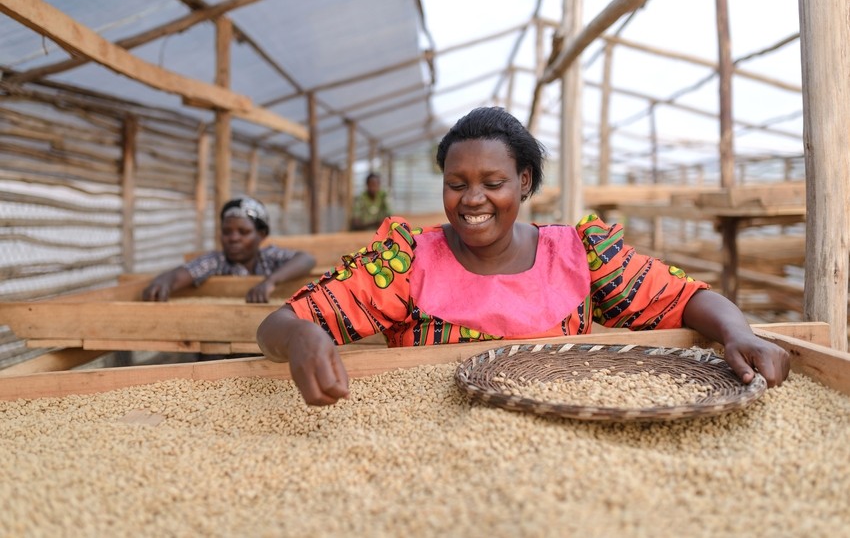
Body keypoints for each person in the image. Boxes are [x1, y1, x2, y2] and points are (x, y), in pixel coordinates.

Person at [257, 107, 790, 406]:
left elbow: (684, 299)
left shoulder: (580, 254)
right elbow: (277, 326)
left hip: (567, 435)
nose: (472, 200)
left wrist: (737, 332)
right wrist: (302, 335)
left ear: (525, 182)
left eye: (493, 183)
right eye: (456, 184)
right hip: (430, 437)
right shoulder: (407, 263)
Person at [142, 196, 316, 303]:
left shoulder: (269, 256)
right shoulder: (216, 261)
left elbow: (307, 259)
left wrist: (270, 282)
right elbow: (181, 274)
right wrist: (163, 282)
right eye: (227, 232)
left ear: (261, 235)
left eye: (243, 232)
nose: (233, 238)